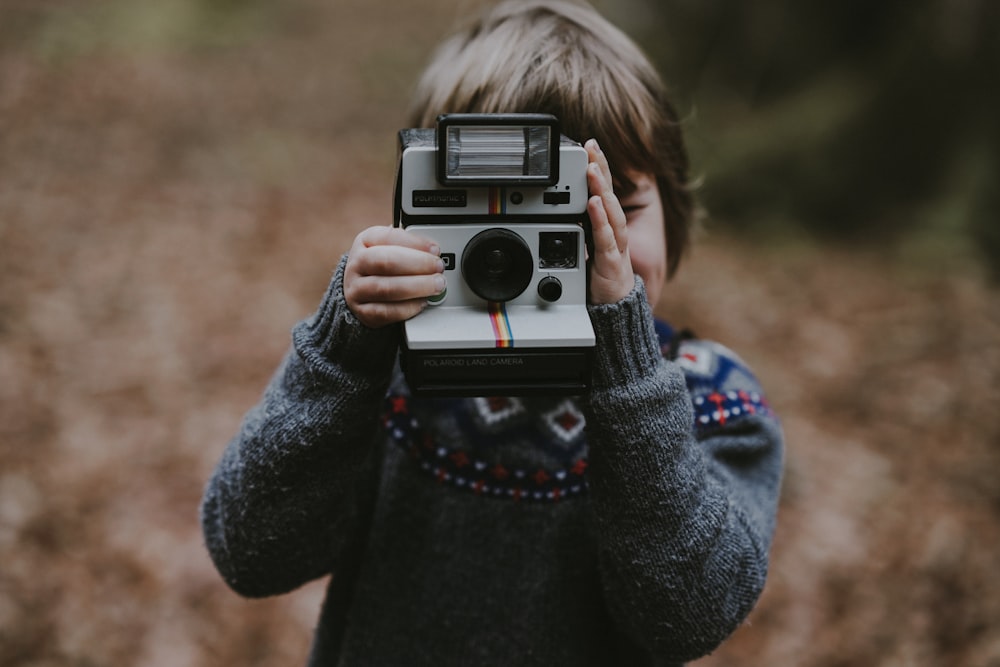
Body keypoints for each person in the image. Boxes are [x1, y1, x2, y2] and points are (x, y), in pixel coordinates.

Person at [200, 1, 784, 665]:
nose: (583, 247)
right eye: (513, 218)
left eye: (611, 210)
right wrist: (345, 347)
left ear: (674, 211)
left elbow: (687, 615)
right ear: (420, 213)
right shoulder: (387, 378)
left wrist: (625, 366)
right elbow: (252, 550)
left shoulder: (713, 398)